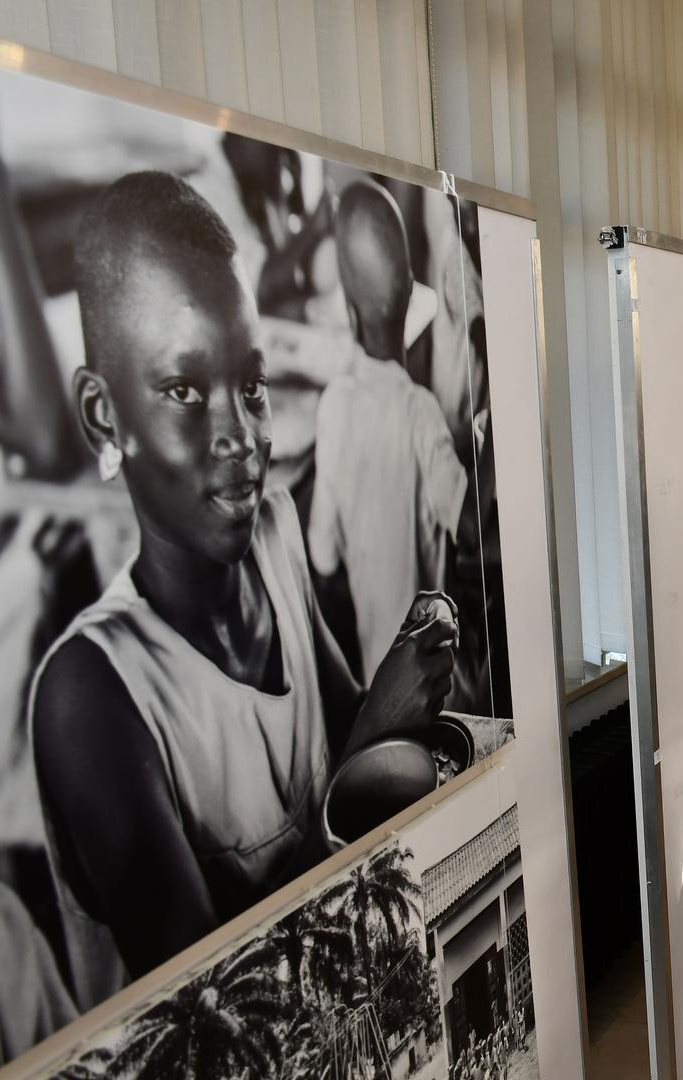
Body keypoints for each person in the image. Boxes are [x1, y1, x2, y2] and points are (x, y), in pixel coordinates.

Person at [29, 171, 458, 1007]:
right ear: (103, 415)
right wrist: (376, 727)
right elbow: (226, 1011)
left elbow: (345, 738)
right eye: (185, 391)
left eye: (250, 387)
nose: (240, 437)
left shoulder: (274, 537)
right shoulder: (91, 696)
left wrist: (406, 683)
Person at [307, 180, 470, 682]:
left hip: (378, 685)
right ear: (409, 294)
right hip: (437, 684)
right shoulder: (420, 412)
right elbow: (469, 521)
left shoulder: (334, 407)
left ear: (350, 312)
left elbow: (323, 556)